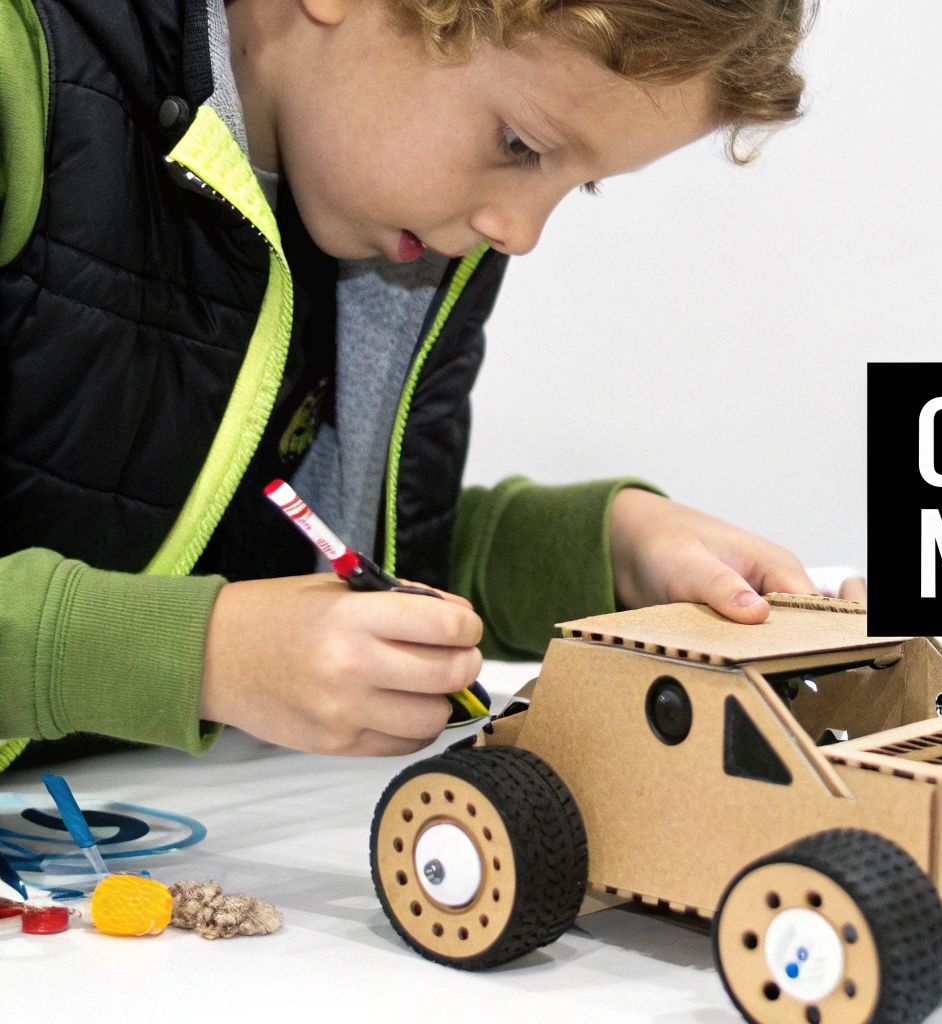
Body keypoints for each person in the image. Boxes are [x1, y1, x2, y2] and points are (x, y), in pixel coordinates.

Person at [0, 0, 847, 771]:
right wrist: (204, 657)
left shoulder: (397, 224)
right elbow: (203, 613)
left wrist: (607, 553)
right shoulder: (19, 71)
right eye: (520, 145)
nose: (518, 234)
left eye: (575, 183)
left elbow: (313, 547)